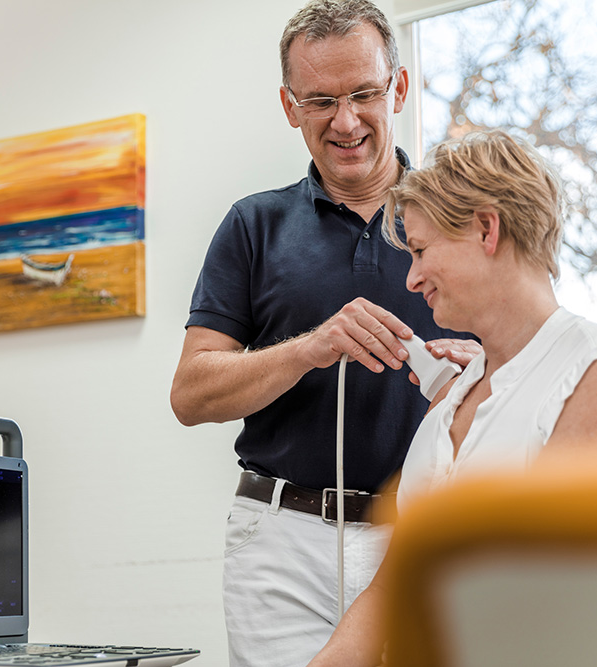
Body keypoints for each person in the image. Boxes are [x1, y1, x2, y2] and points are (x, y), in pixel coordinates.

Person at [169, 1, 479, 666]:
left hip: (427, 541)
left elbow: (530, 376)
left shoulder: (459, 221)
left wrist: (485, 365)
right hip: (281, 544)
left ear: (397, 88)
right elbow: (191, 394)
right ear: (290, 106)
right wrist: (310, 348)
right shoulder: (252, 225)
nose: (345, 121)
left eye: (364, 93)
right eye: (320, 101)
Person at [307, 129, 597, 666]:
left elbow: (586, 614)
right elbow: (392, 591)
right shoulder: (451, 403)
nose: (411, 279)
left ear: (486, 228)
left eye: (419, 250)